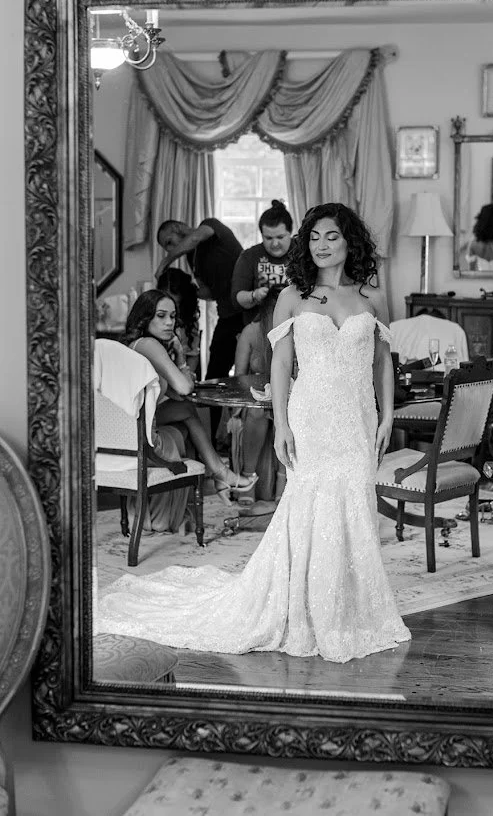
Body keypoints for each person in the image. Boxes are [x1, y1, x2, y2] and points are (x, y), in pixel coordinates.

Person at [97, 204, 411, 663]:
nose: (322, 245)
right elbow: (281, 365)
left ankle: (351, 605)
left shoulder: (371, 295)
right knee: (309, 505)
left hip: (358, 416)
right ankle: (305, 606)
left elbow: (383, 361)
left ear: (350, 242)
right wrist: (282, 423)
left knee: (354, 502)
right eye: (315, 237)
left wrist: (387, 417)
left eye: (332, 236)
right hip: (311, 414)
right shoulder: (293, 296)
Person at [121, 291, 257, 506]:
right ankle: (220, 474)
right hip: (139, 431)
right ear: (145, 318)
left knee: (186, 409)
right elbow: (184, 387)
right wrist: (181, 358)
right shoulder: (148, 345)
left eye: (172, 316)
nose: (169, 322)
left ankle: (219, 474)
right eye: (161, 316)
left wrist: (179, 371)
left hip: (131, 425)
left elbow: (176, 393)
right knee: (187, 412)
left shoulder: (141, 345)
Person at [155, 217, 244, 439]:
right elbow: (209, 292)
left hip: (248, 313)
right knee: (214, 378)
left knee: (245, 375)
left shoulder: (210, 227)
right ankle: (212, 438)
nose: (170, 249)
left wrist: (165, 261)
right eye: (167, 247)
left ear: (177, 228)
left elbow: (194, 238)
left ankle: (239, 434)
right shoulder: (191, 258)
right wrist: (185, 292)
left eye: (169, 242)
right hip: (227, 317)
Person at [230, 288, 287, 504]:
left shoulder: (293, 330)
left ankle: (283, 479)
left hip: (288, 395)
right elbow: (239, 376)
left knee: (289, 414)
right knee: (256, 413)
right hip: (254, 396)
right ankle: (248, 476)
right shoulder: (251, 332)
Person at [231, 200, 293, 324]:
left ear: (290, 232)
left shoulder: (303, 253)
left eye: (280, 237)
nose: (275, 244)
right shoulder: (249, 256)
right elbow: (236, 299)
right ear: (262, 235)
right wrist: (254, 296)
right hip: (260, 326)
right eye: (268, 238)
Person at [157, 268, 201, 377]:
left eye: (176, 304)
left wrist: (187, 375)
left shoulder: (189, 321)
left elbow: (193, 354)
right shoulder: (152, 321)